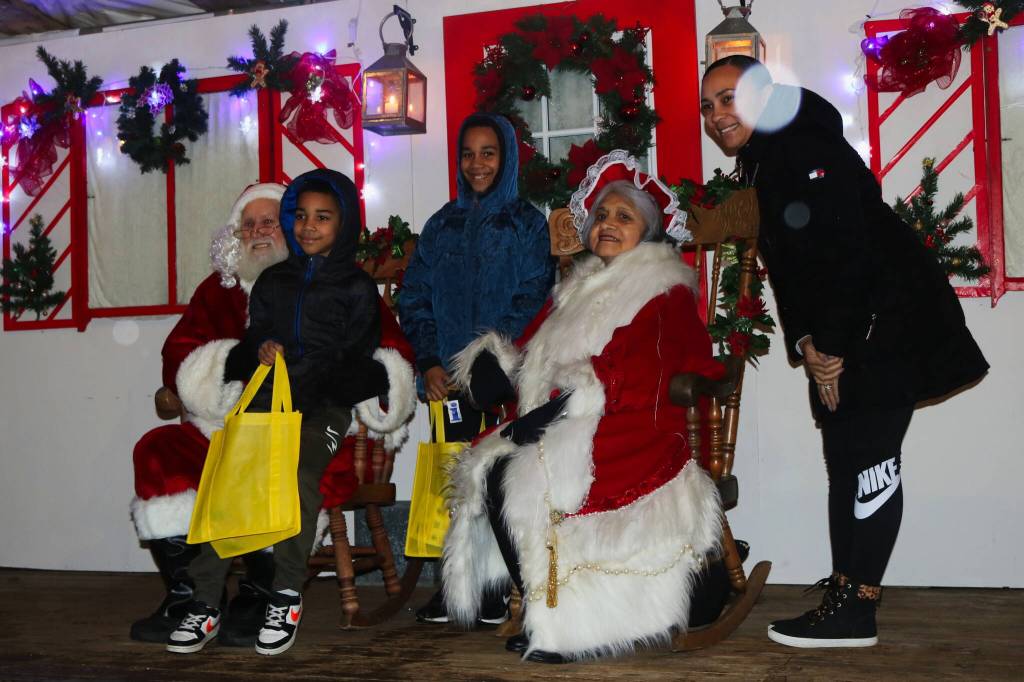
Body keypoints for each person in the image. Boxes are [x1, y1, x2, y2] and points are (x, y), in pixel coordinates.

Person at [699, 56, 989, 648]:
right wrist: (808, 342)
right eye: (708, 106)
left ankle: (857, 606)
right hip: (852, 326)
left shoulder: (802, 150)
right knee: (848, 455)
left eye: (728, 99)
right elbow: (793, 269)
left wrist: (828, 346)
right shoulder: (770, 157)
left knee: (870, 457)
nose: (716, 116)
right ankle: (848, 590)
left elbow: (847, 256)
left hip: (890, 320)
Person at [441, 151, 726, 663]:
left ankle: (565, 620)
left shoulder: (664, 288)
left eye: (624, 216)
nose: (608, 224)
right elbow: (533, 349)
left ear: (649, 231)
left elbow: (653, 362)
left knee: (520, 472)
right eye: (601, 216)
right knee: (490, 465)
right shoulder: (575, 286)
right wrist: (497, 364)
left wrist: (573, 400)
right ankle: (539, 601)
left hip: (628, 426)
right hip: (564, 416)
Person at [130, 184, 416, 647]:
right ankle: (194, 598)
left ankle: (268, 591)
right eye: (249, 224)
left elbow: (384, 352)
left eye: (269, 221)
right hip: (236, 416)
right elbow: (183, 353)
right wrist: (238, 362)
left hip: (318, 417)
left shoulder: (350, 285)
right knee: (178, 457)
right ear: (235, 234)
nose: (260, 232)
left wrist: (343, 382)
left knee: (290, 472)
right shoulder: (226, 289)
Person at [398, 112, 555, 623]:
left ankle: (492, 586)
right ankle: (454, 585)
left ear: (506, 157)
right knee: (453, 481)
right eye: (467, 154)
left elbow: (534, 293)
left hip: (499, 377)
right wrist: (428, 361)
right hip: (448, 380)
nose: (476, 164)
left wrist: (492, 354)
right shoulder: (441, 225)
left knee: (495, 477)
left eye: (488, 153)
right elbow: (415, 297)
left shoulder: (527, 224)